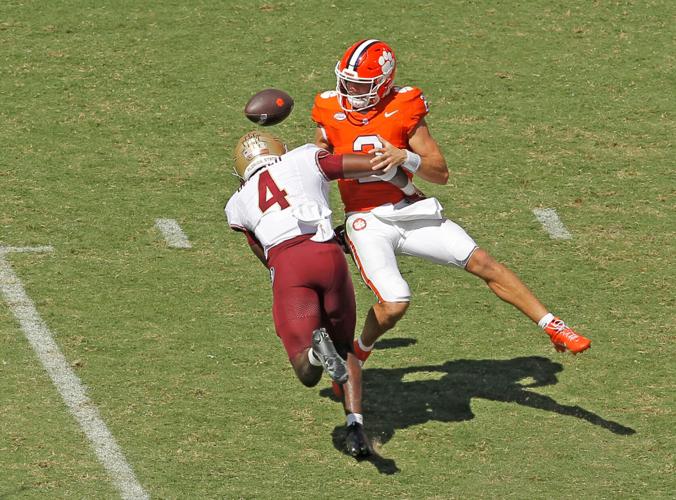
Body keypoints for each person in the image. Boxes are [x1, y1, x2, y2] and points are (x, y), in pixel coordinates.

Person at [311, 39, 591, 365]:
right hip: (366, 221)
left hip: (410, 209)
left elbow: (440, 173)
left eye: (360, 86)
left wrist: (405, 157)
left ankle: (553, 326)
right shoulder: (330, 109)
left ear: (384, 83)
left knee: (483, 262)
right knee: (395, 304)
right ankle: (359, 352)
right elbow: (317, 164)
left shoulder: (404, 105)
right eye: (347, 82)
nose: (349, 91)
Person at [224, 130, 419, 458]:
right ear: (279, 150)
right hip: (327, 254)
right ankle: (356, 428)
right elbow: (367, 164)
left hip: (289, 265)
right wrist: (405, 180)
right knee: (346, 347)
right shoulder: (302, 157)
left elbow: (266, 258)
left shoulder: (238, 203)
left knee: (305, 370)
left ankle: (315, 353)